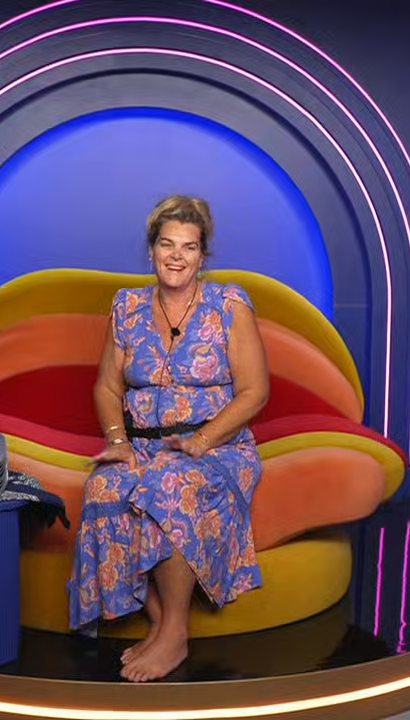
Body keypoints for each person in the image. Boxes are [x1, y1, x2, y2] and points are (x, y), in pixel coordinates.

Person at [66, 195, 270, 682]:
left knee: (167, 483)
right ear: (151, 250)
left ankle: (176, 632)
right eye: (167, 244)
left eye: (189, 247)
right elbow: (107, 386)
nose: (177, 256)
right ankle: (159, 624)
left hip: (217, 448)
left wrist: (202, 440)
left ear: (203, 255)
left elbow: (255, 391)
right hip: (144, 445)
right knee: (104, 487)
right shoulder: (127, 306)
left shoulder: (228, 305)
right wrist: (118, 440)